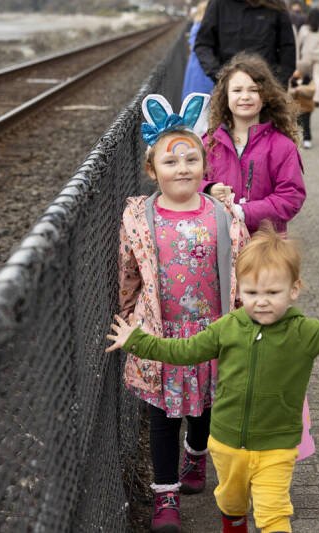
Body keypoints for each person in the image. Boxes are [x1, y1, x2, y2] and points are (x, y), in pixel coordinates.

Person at [108, 224, 319, 533]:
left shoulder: (304, 332)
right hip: (227, 442)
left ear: (294, 289)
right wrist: (138, 341)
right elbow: (184, 350)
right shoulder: (227, 326)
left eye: (272, 292)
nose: (261, 301)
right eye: (252, 292)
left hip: (277, 446)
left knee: (273, 515)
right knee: (231, 504)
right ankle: (234, 523)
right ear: (240, 290)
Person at [120, 93, 248, 533]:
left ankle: (196, 456)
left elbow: (243, 266)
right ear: (152, 169)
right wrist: (127, 317)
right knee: (162, 416)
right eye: (170, 163)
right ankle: (166, 495)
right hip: (162, 334)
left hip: (212, 332)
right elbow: (128, 272)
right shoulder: (139, 217)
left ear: (204, 166)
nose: (182, 169)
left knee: (204, 408)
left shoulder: (223, 215)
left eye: (190, 159)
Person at [202, 52, 307, 235]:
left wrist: (245, 212)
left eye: (253, 90)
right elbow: (189, 180)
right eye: (237, 90)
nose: (245, 96)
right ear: (225, 97)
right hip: (218, 242)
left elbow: (290, 197)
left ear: (265, 96)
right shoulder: (209, 143)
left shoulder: (282, 146)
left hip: (265, 244)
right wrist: (208, 189)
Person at [194, 0, 297, 88]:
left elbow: (287, 47)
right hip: (229, 88)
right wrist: (219, 75)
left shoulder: (275, 5)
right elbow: (203, 44)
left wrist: (279, 82)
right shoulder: (219, 4)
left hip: (268, 87)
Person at [182, 1, 214, 100]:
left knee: (193, 94)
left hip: (195, 65)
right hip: (204, 66)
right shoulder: (204, 27)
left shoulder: (197, 25)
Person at [297, 8, 319, 105]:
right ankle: (317, 97)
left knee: (300, 76)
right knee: (317, 77)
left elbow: (298, 44)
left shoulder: (304, 29)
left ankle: (299, 93)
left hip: (306, 56)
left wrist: (297, 58)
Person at [288, 60, 317, 149]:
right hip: (295, 107)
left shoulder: (309, 80)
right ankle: (296, 139)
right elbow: (289, 91)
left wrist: (300, 88)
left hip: (306, 107)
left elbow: (312, 90)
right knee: (295, 124)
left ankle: (307, 139)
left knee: (306, 124)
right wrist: (294, 91)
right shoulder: (292, 80)